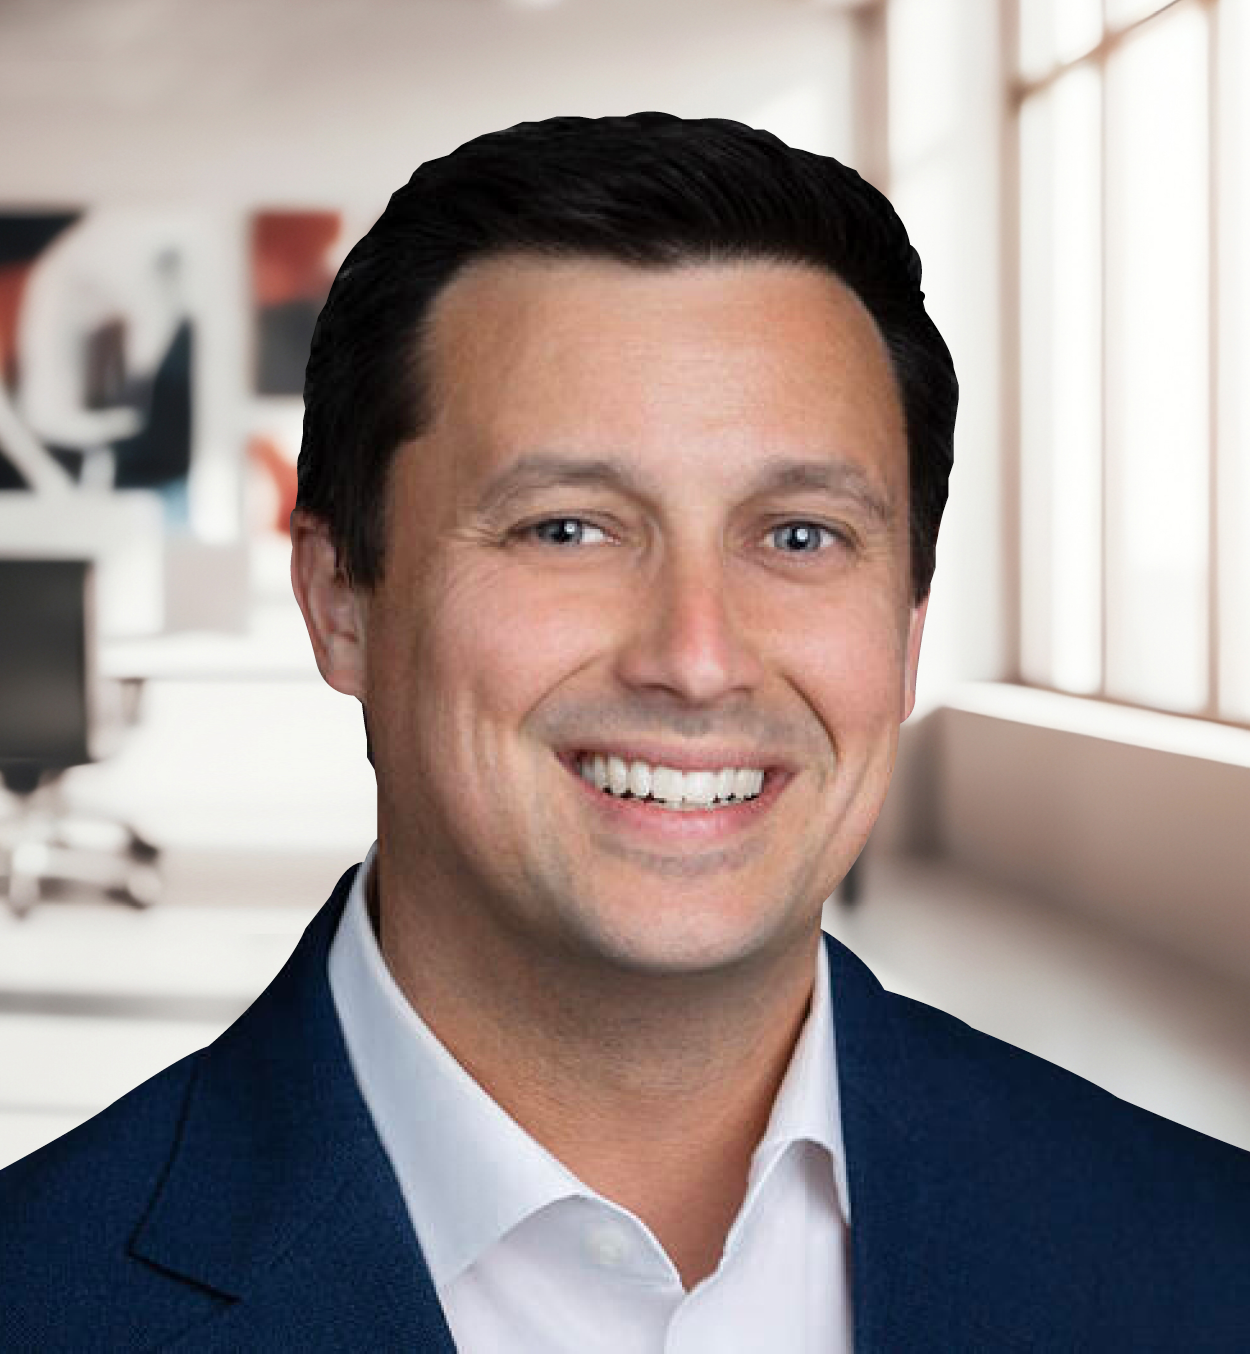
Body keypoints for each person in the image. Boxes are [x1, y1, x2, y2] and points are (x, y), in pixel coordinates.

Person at [3, 113, 1249, 1352]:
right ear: (341, 602)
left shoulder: (1202, 1256)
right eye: (567, 528)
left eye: (799, 535)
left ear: (907, 625)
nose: (696, 659)